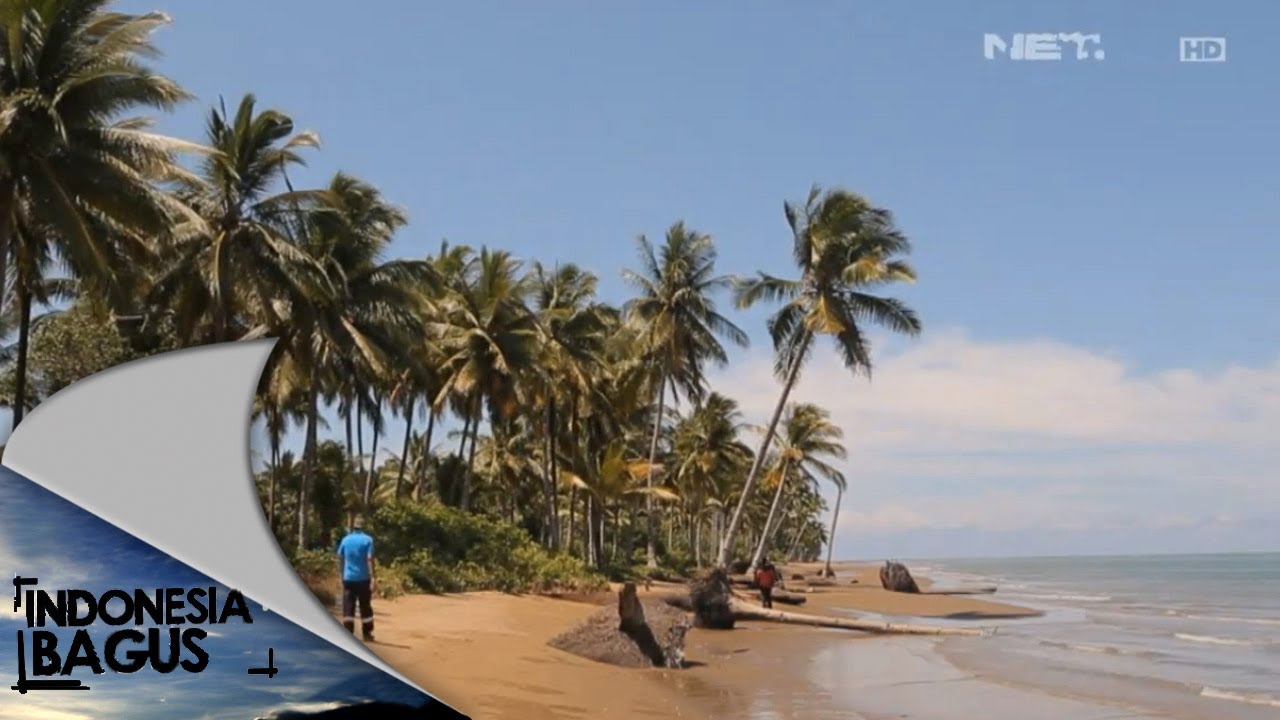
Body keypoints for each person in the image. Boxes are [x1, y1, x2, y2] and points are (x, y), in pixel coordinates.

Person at [336, 517, 376, 641]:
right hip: (363, 579)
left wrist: (341, 575)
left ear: (353, 527)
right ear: (363, 527)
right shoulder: (368, 540)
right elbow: (369, 559)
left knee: (348, 606)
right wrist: (373, 576)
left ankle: (348, 634)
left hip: (348, 578)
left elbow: (340, 558)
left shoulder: (345, 540)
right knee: (365, 606)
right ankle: (367, 633)